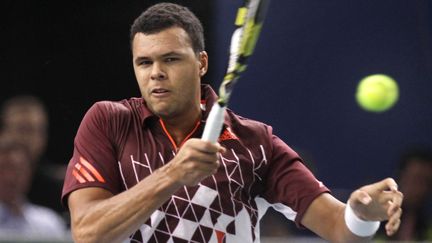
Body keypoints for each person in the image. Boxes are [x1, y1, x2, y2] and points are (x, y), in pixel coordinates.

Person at [61, 3, 403, 242]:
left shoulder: (255, 143)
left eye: (171, 59)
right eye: (144, 62)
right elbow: (88, 233)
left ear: (202, 63)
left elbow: (339, 229)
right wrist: (172, 175)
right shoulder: (109, 122)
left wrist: (360, 214)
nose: (156, 74)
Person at [0, 95, 66, 214]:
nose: (30, 139)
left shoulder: (59, 186)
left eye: (39, 131)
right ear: (4, 132)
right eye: (23, 130)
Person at [0, 134, 67, 238]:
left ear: (29, 173)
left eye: (18, 170)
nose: (11, 177)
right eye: (4, 168)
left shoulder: (49, 223)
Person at [377, 147, 432, 241]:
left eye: (426, 181)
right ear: (401, 177)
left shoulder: (428, 228)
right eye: (415, 179)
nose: (419, 188)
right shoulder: (373, 219)